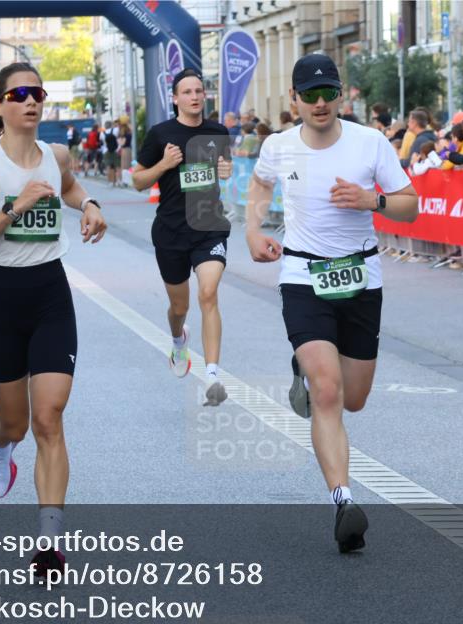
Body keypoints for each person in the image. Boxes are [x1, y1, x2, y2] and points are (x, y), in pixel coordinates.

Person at [244, 53, 418, 553]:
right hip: (302, 276)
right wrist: (255, 229)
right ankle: (344, 501)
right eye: (310, 95)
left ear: (341, 95)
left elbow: (411, 204)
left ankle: (306, 368)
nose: (320, 104)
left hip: (361, 276)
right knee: (327, 392)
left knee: (353, 398)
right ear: (294, 100)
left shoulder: (370, 143)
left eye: (329, 94)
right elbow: (260, 183)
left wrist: (372, 201)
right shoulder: (278, 146)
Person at [0, 62, 106, 576]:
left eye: (36, 92)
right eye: (18, 94)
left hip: (51, 295)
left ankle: (50, 541)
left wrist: (91, 205)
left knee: (48, 418)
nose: (31, 101)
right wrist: (17, 208)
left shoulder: (56, 155)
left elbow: (72, 186)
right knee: (15, 422)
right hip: (1, 301)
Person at [132, 68, 234, 406]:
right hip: (171, 231)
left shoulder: (218, 131)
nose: (194, 96)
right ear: (175, 98)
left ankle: (213, 375)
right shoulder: (161, 134)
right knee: (180, 306)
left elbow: (224, 168)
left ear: (204, 96)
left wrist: (226, 170)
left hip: (209, 227)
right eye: (186, 92)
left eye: (198, 91)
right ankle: (178, 339)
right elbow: (138, 181)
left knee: (208, 293)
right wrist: (163, 165)